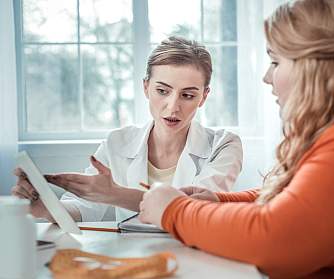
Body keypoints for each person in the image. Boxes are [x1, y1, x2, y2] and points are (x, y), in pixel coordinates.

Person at [138, 1, 334, 278]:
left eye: (275, 62)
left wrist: (174, 210)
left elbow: (278, 238)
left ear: (316, 66)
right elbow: (300, 199)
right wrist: (219, 201)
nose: (266, 77)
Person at [12, 36, 243, 222]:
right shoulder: (117, 143)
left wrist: (114, 194)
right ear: (146, 87)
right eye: (162, 91)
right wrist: (44, 208)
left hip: (196, 255)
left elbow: (195, 209)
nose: (173, 107)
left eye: (188, 95)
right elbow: (83, 209)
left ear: (203, 97)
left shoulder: (224, 145)